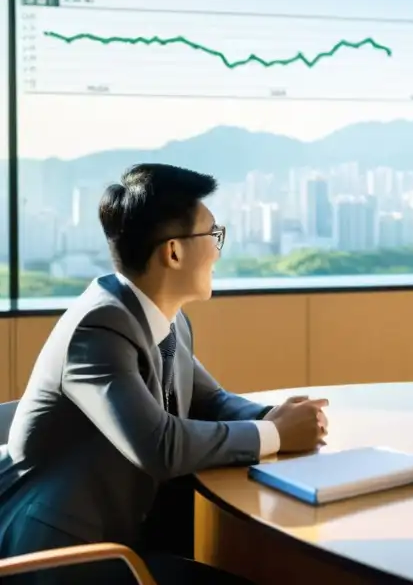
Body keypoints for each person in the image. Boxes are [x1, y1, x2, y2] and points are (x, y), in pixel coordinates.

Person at [0, 164, 329, 584]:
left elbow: (211, 401)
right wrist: (277, 435)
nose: (218, 249)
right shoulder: (98, 327)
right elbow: (158, 444)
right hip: (62, 556)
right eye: (213, 235)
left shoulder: (165, 320)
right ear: (173, 251)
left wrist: (275, 416)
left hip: (124, 533)